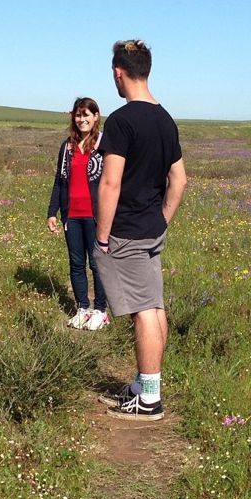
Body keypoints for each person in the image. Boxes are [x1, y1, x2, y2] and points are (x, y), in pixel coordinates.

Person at [94, 40, 187, 421]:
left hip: (126, 232)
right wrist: (161, 219)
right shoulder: (166, 119)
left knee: (143, 311)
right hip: (151, 229)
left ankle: (149, 400)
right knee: (155, 305)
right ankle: (143, 386)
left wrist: (102, 237)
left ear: (119, 72)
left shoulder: (121, 121)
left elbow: (110, 183)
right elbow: (179, 180)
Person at [47, 97, 109, 331]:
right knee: (76, 263)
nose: (82, 119)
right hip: (71, 215)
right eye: (78, 115)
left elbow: (114, 181)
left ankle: (101, 311)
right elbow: (59, 181)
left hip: (96, 216)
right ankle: (83, 308)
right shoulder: (67, 147)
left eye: (86, 115)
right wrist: (52, 212)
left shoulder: (104, 144)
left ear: (96, 117)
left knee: (97, 263)